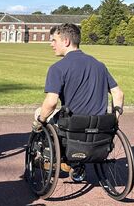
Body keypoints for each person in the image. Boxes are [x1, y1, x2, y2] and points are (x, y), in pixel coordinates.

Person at [33, 23, 124, 181]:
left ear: (66, 41)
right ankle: (78, 165)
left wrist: (40, 121)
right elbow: (118, 93)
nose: (51, 44)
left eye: (54, 40)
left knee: (40, 113)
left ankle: (48, 157)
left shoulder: (58, 68)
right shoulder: (99, 65)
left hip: (73, 125)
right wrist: (115, 118)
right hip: (100, 125)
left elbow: (51, 102)